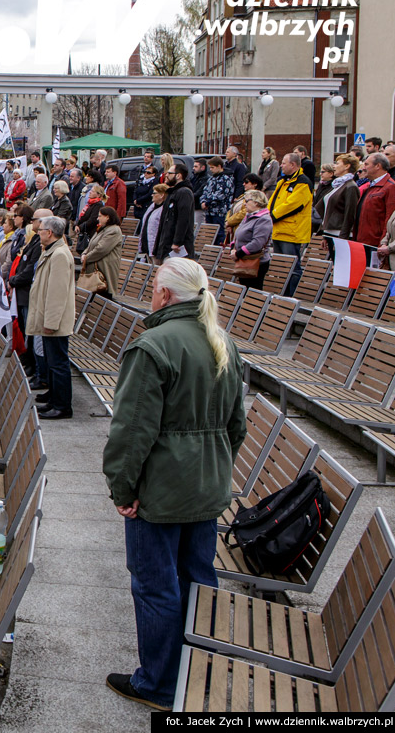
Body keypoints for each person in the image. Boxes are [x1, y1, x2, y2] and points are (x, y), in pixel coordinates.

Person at [102, 258, 245, 712]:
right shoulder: (221, 340)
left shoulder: (154, 346)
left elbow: (131, 432)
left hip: (161, 492)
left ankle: (159, 684)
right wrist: (212, 468)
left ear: (164, 295)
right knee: (199, 578)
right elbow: (236, 426)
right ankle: (197, 671)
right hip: (206, 487)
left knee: (156, 585)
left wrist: (123, 490)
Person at [26, 216, 75, 419]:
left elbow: (57, 293)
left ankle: (62, 405)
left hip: (54, 321)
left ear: (51, 232)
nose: (38, 232)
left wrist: (51, 322)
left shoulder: (60, 255)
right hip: (48, 318)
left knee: (58, 363)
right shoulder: (52, 251)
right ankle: (54, 398)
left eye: (41, 229)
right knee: (53, 361)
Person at [9, 209, 48, 381]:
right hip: (22, 293)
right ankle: (31, 366)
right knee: (26, 330)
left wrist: (13, 280)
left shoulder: (41, 246)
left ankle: (37, 370)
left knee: (30, 335)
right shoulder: (34, 242)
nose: (32, 224)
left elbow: (29, 270)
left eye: (35, 220)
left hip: (28, 294)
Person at [269, 153, 313, 293]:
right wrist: (267, 215)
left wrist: (272, 216)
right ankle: (282, 293)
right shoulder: (282, 181)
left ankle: (292, 294)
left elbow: (292, 205)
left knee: (292, 266)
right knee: (281, 266)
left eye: (283, 163)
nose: (281, 165)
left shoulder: (303, 182)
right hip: (278, 229)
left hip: (292, 231)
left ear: (293, 165)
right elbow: (273, 201)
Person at [230, 190, 273, 290]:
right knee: (243, 289)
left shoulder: (264, 219)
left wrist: (238, 253)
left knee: (252, 292)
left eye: (247, 201)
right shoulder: (248, 216)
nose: (244, 204)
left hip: (256, 262)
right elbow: (237, 234)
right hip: (243, 259)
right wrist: (233, 248)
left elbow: (257, 243)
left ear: (256, 202)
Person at [353, 153, 395, 247]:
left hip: (374, 244)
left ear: (378, 166)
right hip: (361, 241)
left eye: (366, 164)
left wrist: (383, 243)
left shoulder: (390, 187)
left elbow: (390, 218)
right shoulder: (370, 185)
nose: (363, 168)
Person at [79, 206, 124, 298]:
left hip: (104, 272)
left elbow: (101, 249)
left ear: (107, 217)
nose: (97, 218)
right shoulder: (102, 229)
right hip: (94, 269)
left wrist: (86, 258)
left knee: (102, 297)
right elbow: (91, 244)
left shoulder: (114, 230)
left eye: (100, 216)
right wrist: (84, 253)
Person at [154, 164, 196, 262]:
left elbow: (183, 219)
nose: (166, 175)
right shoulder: (172, 192)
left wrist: (177, 242)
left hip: (176, 248)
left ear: (178, 175)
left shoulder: (184, 193)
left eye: (169, 173)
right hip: (166, 243)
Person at [316, 154, 361, 239]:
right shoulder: (337, 184)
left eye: (337, 163)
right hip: (329, 231)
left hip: (338, 233)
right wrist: (324, 232)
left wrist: (343, 237)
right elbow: (327, 210)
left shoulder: (351, 186)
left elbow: (350, 214)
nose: (334, 166)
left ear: (346, 166)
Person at [200, 157, 234, 244]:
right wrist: (203, 201)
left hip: (220, 211)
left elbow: (221, 194)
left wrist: (208, 202)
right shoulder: (211, 179)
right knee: (210, 234)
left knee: (219, 233)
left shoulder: (226, 179)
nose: (211, 170)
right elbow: (205, 191)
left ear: (219, 166)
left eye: (212, 167)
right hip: (209, 211)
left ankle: (219, 250)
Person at [140, 184, 168, 261]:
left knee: (155, 269)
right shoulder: (152, 207)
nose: (152, 195)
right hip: (147, 245)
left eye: (154, 193)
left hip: (156, 247)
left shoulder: (164, 209)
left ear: (162, 195)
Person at [74, 185, 105, 253]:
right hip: (84, 230)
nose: (90, 192)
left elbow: (93, 220)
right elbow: (82, 216)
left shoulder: (98, 205)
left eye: (92, 191)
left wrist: (80, 227)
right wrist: (77, 224)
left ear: (98, 195)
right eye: (90, 191)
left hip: (90, 233)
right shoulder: (90, 203)